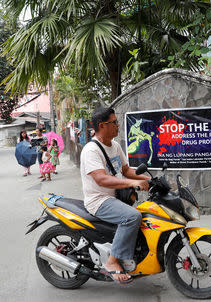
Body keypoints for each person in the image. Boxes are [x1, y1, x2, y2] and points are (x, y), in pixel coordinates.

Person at [80, 107, 150, 284]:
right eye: (114, 122)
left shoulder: (115, 145)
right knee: (132, 216)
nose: (118, 125)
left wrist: (149, 179)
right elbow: (101, 179)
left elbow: (126, 170)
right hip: (99, 201)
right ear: (102, 126)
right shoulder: (91, 150)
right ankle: (112, 261)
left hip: (116, 198)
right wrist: (132, 183)